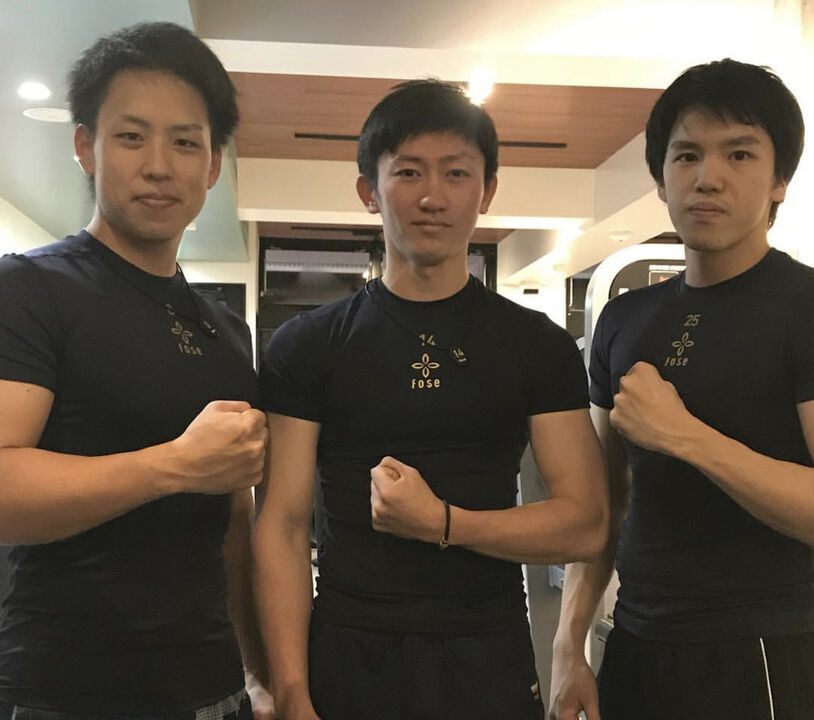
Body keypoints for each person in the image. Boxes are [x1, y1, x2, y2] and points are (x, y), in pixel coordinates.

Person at [254, 79, 608, 720]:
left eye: (456, 173)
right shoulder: (308, 345)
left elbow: (584, 522)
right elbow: (283, 524)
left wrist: (445, 524)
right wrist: (290, 688)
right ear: (369, 190)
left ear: (487, 191)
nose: (433, 196)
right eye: (408, 172)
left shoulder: (536, 345)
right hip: (348, 649)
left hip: (486, 650)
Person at [0, 22, 273, 720]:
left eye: (185, 142)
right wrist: (175, 465)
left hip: (216, 693)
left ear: (212, 165)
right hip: (67, 695)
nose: (159, 165)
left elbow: (233, 521)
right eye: (131, 136)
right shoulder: (30, 289)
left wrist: (260, 674)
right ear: (85, 146)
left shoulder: (226, 331)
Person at [550, 59, 813, 720]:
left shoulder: (804, 307)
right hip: (638, 642)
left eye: (739, 154)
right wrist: (568, 645)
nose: (707, 177)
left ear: (780, 180)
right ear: (661, 177)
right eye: (687, 155)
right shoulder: (624, 320)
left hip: (768, 647)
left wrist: (687, 437)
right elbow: (602, 502)